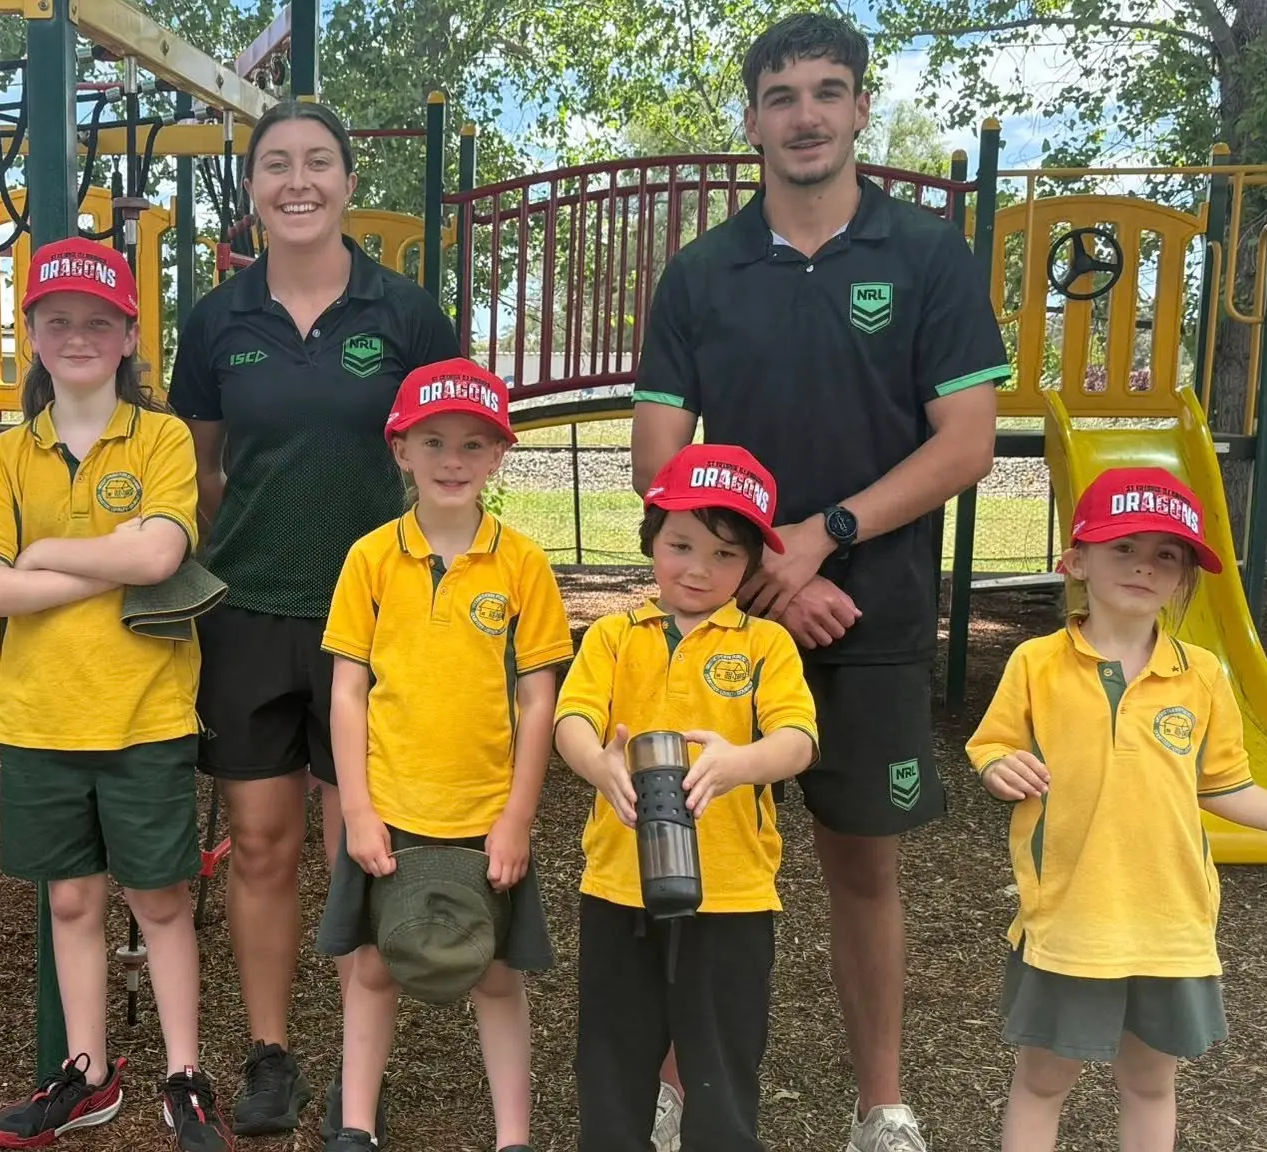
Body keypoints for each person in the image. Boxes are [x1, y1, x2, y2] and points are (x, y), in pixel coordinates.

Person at [625, 13, 1010, 1151]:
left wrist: (823, 534)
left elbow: (965, 440)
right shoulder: (700, 272)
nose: (803, 114)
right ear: (749, 119)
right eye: (781, 94)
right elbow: (657, 464)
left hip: (872, 616)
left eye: (826, 91)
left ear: (857, 111)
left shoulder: (926, 255)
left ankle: (878, 1105)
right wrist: (767, 578)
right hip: (720, 620)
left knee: (861, 870)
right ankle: (671, 1086)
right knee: (686, 861)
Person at [166, 96, 464, 1138]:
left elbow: (449, 455)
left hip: (374, 620)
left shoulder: (405, 314)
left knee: (358, 844)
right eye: (275, 165)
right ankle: (270, 1054)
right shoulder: (216, 322)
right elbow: (200, 472)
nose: (297, 181)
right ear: (250, 190)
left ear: (346, 182)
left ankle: (354, 1062)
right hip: (246, 613)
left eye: (317, 163)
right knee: (259, 843)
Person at [965, 467, 1267, 1152]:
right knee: (1044, 1080)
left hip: (1171, 922)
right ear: (1075, 561)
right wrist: (999, 766)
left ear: (1183, 581)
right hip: (1069, 918)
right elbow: (992, 745)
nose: (1144, 566)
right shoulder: (1036, 662)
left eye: (1165, 555)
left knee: (1149, 1083)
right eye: (1123, 547)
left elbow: (1221, 784)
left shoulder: (1202, 675)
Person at [0, 238, 232, 1152]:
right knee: (73, 903)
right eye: (57, 319)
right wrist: (94, 563)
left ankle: (183, 1073)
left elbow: (161, 554)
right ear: (33, 336)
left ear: (127, 336)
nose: (78, 334)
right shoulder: (7, 455)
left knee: (161, 900)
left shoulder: (158, 437)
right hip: (40, 717)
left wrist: (41, 553)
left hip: (144, 711)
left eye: (98, 321)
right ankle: (87, 1071)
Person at [313, 359, 571, 1152]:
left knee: (495, 973)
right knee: (376, 966)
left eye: (471, 444)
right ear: (401, 450)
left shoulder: (523, 564)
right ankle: (356, 1124)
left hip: (482, 810)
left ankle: (513, 1136)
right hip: (390, 808)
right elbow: (348, 691)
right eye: (434, 441)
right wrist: (356, 809)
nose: (451, 460)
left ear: (499, 455)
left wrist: (518, 817)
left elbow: (538, 700)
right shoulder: (370, 559)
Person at [555, 443, 819, 1152]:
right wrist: (598, 763)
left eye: (726, 556)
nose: (699, 570)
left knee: (721, 1073)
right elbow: (571, 720)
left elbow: (798, 740)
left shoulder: (766, 644)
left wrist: (741, 763)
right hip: (616, 888)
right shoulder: (614, 635)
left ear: (752, 567)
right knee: (610, 1065)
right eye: (681, 545)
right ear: (650, 539)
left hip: (732, 896)